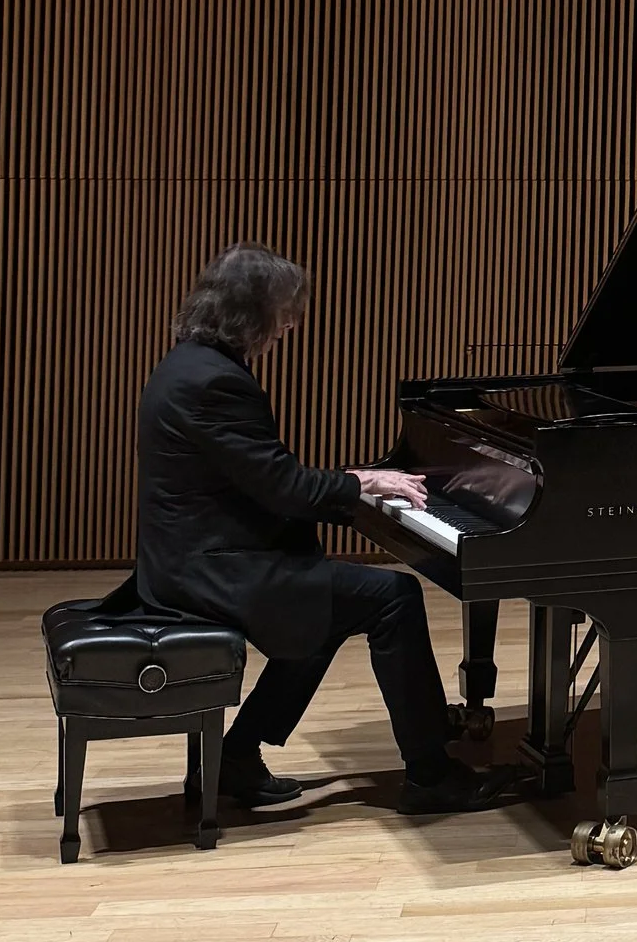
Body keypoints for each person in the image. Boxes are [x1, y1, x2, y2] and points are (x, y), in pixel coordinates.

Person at [135, 245, 501, 816]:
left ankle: (236, 757)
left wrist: (354, 481)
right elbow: (283, 487)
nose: (290, 324)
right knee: (393, 597)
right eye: (283, 312)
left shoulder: (190, 362)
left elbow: (264, 476)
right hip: (209, 569)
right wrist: (361, 485)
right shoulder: (215, 383)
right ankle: (431, 774)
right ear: (247, 310)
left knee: (325, 604)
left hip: (190, 558)